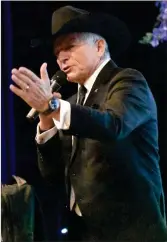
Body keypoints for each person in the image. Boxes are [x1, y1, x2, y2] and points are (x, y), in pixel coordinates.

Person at [10, 5, 167, 241]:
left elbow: (113, 125)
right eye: (57, 53)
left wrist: (52, 107)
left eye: (70, 47)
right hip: (83, 231)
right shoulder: (73, 102)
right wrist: (46, 121)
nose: (61, 58)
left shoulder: (128, 81)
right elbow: (53, 174)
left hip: (129, 231)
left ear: (99, 46)